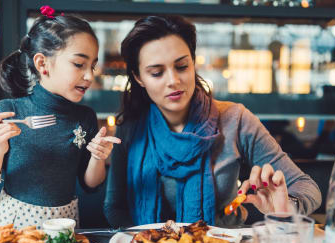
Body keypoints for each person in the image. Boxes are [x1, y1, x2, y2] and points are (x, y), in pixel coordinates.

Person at [104, 15, 321, 228]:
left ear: (193, 63)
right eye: (157, 73)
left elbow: (307, 187)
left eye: (182, 67)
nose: (173, 81)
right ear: (139, 77)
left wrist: (284, 207)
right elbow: (114, 208)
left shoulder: (236, 119)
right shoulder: (130, 128)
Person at [0, 6, 120, 230]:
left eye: (92, 66)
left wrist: (98, 157)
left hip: (63, 225)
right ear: (42, 64)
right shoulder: (8, 111)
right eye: (79, 64)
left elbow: (90, 185)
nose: (89, 76)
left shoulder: (85, 117)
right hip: (11, 228)